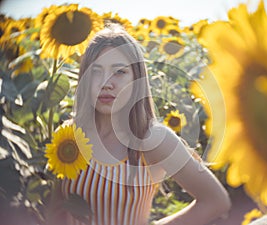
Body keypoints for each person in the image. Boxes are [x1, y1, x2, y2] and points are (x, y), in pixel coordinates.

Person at [61, 23, 231, 225]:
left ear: (137, 79)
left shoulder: (151, 139)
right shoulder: (68, 135)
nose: (106, 83)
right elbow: (57, 208)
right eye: (96, 71)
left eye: (119, 72)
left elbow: (216, 201)